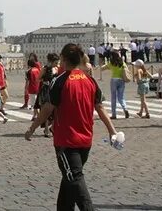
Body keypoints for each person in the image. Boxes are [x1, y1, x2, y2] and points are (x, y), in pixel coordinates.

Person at [25, 43, 117, 211]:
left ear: (64, 59)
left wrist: (32, 128)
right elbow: (100, 108)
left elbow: (47, 109)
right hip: (85, 140)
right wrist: (112, 131)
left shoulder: (60, 81)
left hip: (66, 141)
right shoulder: (90, 80)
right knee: (68, 182)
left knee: (74, 179)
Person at [100, 50, 129, 120]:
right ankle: (125, 108)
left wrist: (103, 63)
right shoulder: (122, 63)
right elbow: (127, 70)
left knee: (113, 97)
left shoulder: (111, 63)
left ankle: (114, 114)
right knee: (121, 97)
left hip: (114, 80)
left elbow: (102, 68)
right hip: (121, 80)